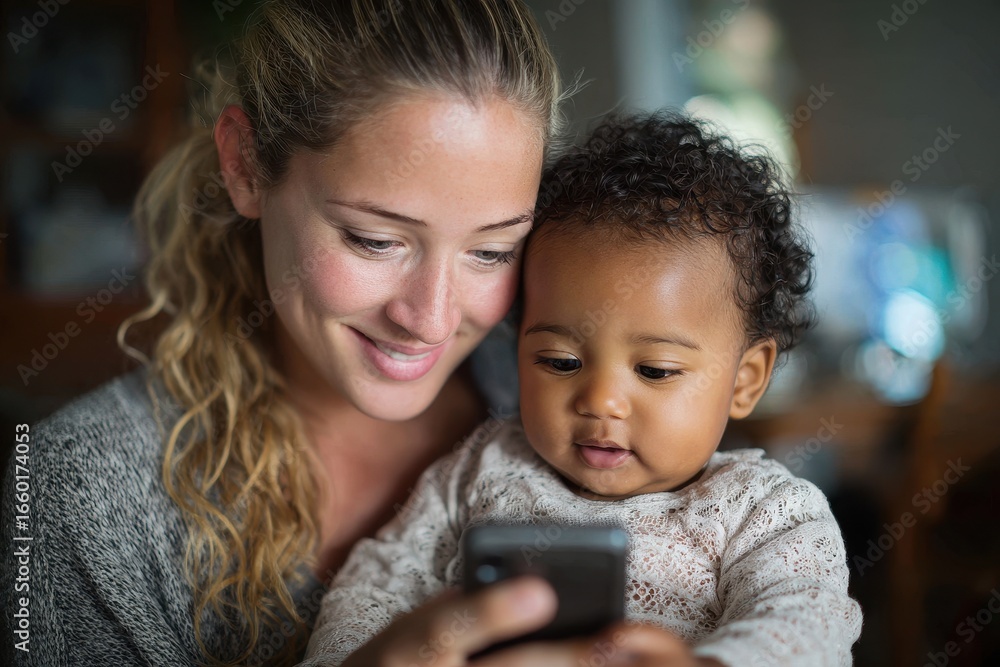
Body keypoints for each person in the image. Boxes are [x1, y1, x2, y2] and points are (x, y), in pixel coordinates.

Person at [0, 1, 643, 665]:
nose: (431, 318)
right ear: (245, 165)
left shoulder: (601, 414)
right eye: (375, 240)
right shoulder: (79, 491)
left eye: (491, 251)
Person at [301, 113, 864, 667]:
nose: (600, 401)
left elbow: (808, 624)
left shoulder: (765, 513)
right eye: (560, 361)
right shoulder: (482, 467)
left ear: (745, 380)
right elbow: (375, 586)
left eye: (655, 370)